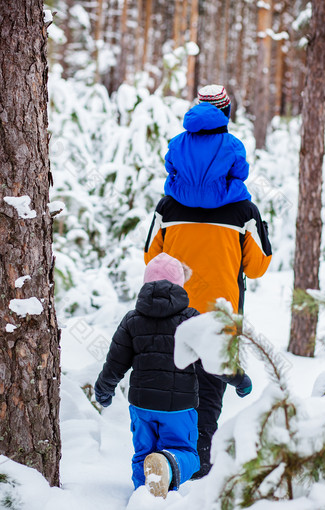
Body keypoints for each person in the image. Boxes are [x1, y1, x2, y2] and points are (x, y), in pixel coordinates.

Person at [144, 84, 272, 478]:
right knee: (210, 386)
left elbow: (151, 259)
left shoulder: (167, 205)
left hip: (170, 314)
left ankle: (164, 460)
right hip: (220, 315)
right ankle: (197, 461)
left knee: (173, 384)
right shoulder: (243, 210)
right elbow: (257, 267)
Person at [94, 253, 252, 498]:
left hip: (141, 405)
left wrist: (104, 389)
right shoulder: (190, 319)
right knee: (186, 454)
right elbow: (215, 359)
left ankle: (143, 498)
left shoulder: (131, 320)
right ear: (180, 284)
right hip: (179, 407)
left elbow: (115, 363)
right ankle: (167, 467)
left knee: (143, 455)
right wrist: (240, 380)